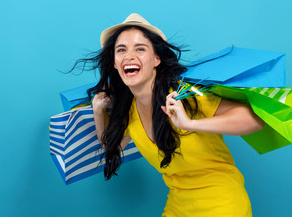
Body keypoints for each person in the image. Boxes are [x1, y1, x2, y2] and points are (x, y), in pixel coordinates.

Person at [81, 13, 264, 216]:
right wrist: (98, 111)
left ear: (156, 59)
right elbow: (111, 146)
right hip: (178, 205)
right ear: (115, 63)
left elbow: (254, 120)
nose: (129, 56)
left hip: (222, 203)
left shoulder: (182, 95)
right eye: (121, 50)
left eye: (140, 49)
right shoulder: (129, 110)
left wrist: (189, 124)